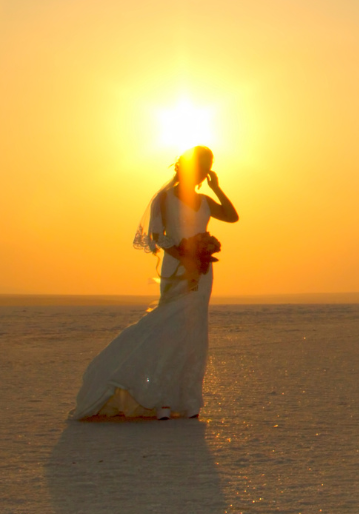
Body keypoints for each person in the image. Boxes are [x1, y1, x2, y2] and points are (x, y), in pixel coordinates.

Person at [73, 146, 239, 421]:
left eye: (209, 165)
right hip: (178, 270)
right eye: (202, 164)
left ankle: (185, 401)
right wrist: (183, 256)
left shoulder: (206, 201)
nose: (205, 170)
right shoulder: (164, 198)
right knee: (168, 326)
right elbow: (155, 236)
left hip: (202, 271)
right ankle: (154, 396)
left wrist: (217, 188)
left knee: (193, 332)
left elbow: (232, 217)